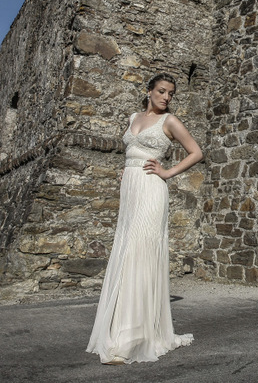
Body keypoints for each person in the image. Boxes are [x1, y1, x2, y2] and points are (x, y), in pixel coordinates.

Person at [87, 72, 203, 365]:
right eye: (162, 91)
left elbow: (196, 152)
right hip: (131, 190)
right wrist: (128, 169)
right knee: (127, 252)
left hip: (151, 189)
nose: (166, 97)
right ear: (148, 91)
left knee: (142, 253)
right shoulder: (133, 117)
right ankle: (121, 329)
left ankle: (134, 337)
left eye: (171, 93)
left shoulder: (170, 121)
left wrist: (168, 172)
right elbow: (132, 152)